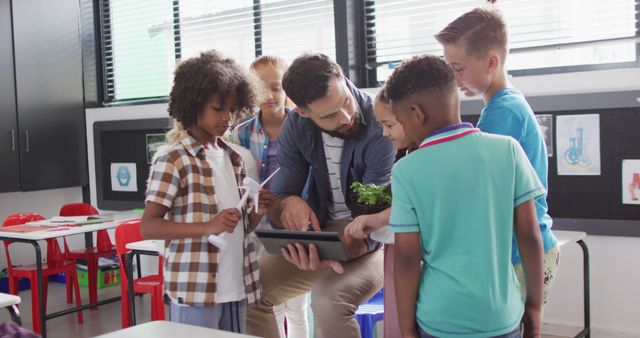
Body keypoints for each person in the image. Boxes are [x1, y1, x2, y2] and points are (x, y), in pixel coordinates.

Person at [385, 55, 544, 338]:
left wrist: (407, 329)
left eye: (400, 120)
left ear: (416, 112)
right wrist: (534, 307)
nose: (403, 128)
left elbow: (408, 258)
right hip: (501, 317)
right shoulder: (508, 150)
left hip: (440, 319)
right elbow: (530, 237)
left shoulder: (406, 171)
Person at [245, 53, 397, 338]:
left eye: (346, 102)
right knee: (250, 289)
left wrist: (331, 250)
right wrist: (287, 206)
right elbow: (281, 195)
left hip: (378, 234)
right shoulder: (296, 126)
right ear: (303, 112)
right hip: (323, 233)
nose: (346, 117)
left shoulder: (380, 122)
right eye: (329, 115)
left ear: (342, 78)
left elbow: (371, 218)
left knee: (328, 301)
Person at [140, 50, 272, 333]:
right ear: (193, 105)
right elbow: (149, 226)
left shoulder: (234, 158)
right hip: (196, 288)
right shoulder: (172, 158)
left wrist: (258, 211)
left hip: (235, 284)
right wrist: (208, 226)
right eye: (218, 109)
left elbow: (241, 226)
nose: (228, 118)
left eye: (233, 110)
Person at [435, 6, 559, 305]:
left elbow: (476, 190)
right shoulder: (504, 104)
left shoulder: (501, 114)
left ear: (491, 62)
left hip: (520, 254)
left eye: (459, 68)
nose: (454, 78)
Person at [231, 55, 308, 338]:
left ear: (286, 89)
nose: (269, 95)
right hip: (258, 226)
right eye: (261, 89)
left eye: (276, 87)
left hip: (293, 221)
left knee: (297, 304)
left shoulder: (303, 126)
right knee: (268, 297)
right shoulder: (240, 134)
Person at [344, 90, 414, 336]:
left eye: (389, 125)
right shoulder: (408, 156)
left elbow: (415, 207)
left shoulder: (415, 164)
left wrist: (377, 218)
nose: (384, 133)